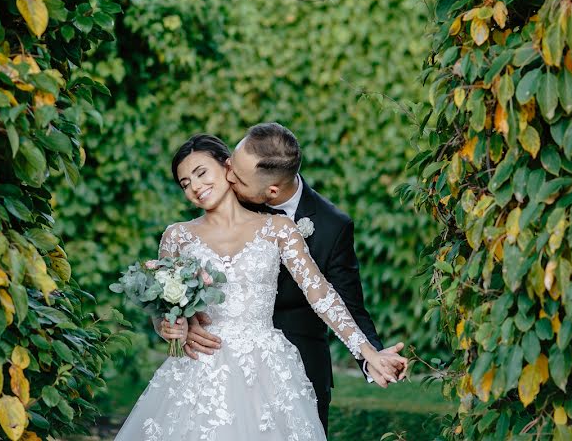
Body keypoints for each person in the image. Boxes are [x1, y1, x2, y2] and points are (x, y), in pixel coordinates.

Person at [115, 134, 407, 440]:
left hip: (266, 368)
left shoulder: (279, 229)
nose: (195, 187)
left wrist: (368, 353)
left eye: (201, 173)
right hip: (199, 368)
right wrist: (170, 328)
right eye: (185, 183)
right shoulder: (177, 237)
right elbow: (162, 308)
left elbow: (321, 295)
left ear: (227, 167)